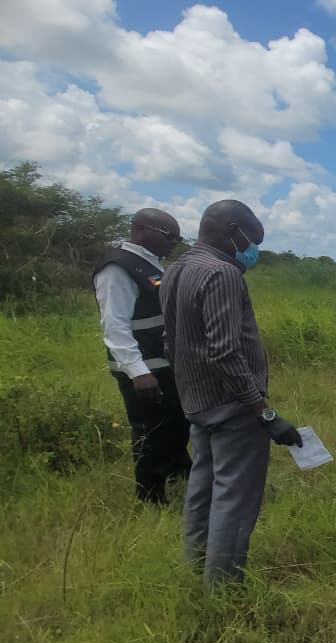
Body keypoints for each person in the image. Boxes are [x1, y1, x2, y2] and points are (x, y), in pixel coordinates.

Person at [160, 199, 304, 589]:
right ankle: (223, 589)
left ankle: (196, 567)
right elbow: (225, 351)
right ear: (231, 230)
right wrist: (263, 412)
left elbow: (170, 341)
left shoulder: (176, 269)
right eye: (251, 240)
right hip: (232, 407)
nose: (252, 250)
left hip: (197, 402)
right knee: (234, 499)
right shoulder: (222, 273)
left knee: (203, 488)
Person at [92, 208, 191, 505]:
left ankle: (178, 475)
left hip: (164, 365)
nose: (174, 242)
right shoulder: (118, 268)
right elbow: (115, 324)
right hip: (145, 370)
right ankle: (151, 497)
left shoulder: (151, 264)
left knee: (176, 424)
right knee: (152, 432)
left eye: (177, 238)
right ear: (140, 230)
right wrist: (138, 371)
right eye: (168, 236)